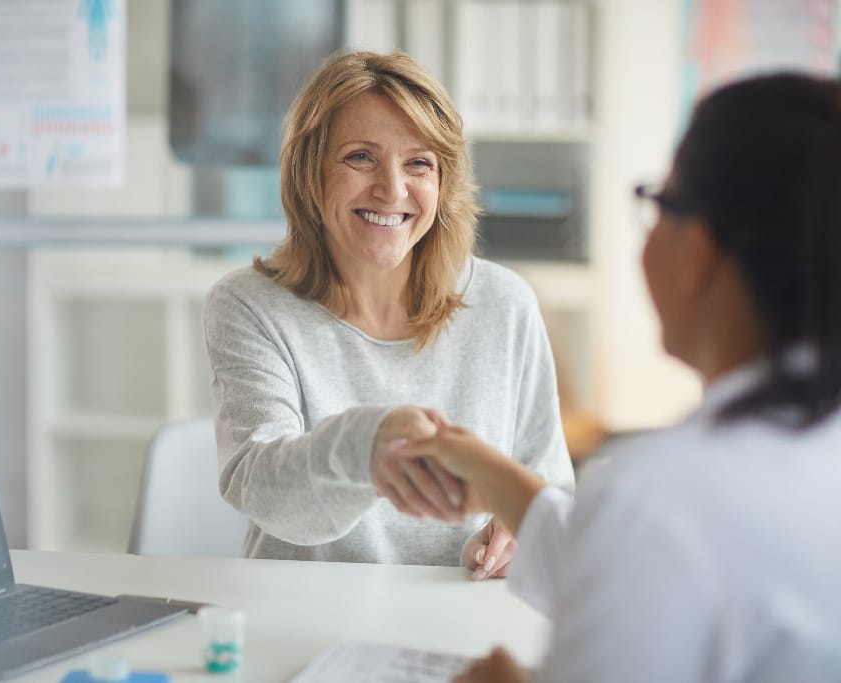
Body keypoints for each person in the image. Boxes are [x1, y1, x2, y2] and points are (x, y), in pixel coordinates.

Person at [395, 72, 841, 681]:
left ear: (699, 252)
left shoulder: (660, 495)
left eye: (660, 201)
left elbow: (652, 547)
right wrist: (499, 480)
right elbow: (644, 567)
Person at [203, 50, 575, 572]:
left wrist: (518, 528)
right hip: (306, 617)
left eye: (418, 163)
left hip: (461, 617)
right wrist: (367, 448)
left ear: (443, 183)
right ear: (309, 171)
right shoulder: (249, 305)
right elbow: (262, 489)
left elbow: (549, 490)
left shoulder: (505, 303)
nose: (392, 189)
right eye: (360, 157)